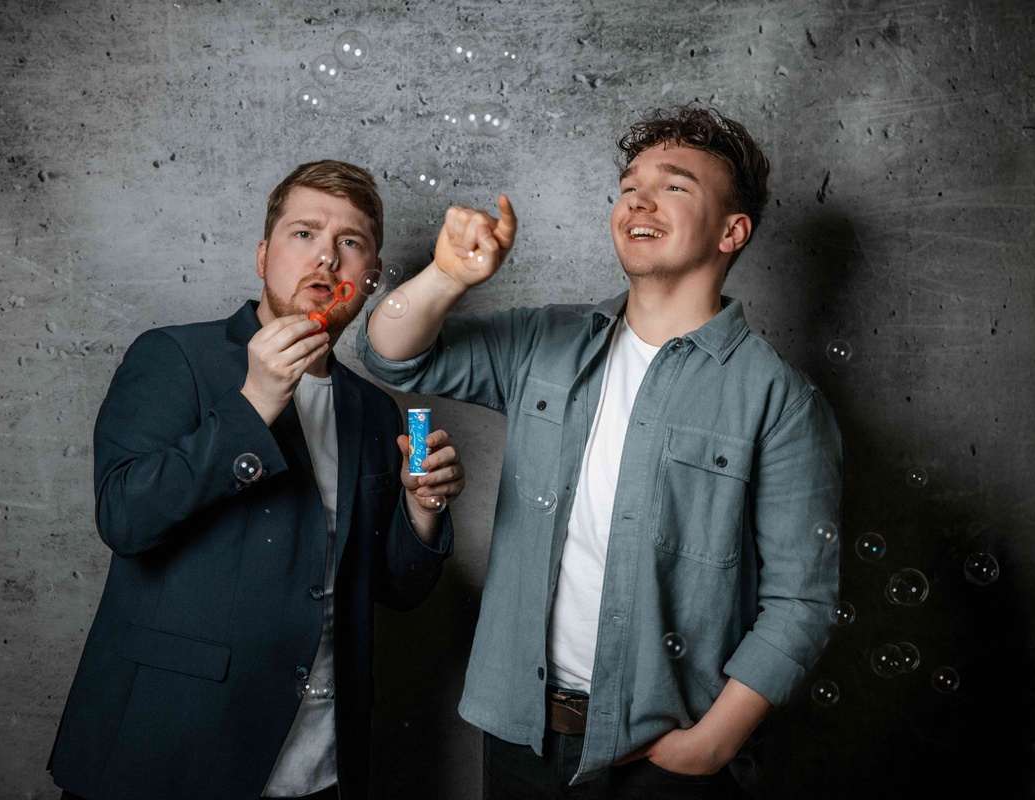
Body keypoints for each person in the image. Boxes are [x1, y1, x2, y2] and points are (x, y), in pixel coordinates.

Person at [358, 106, 842, 798]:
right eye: (628, 186)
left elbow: (800, 600)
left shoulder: (779, 399)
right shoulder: (544, 342)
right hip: (520, 735)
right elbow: (391, 355)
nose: (638, 201)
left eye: (673, 186)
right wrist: (447, 276)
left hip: (664, 758)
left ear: (732, 231)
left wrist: (709, 746)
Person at [47, 160, 462, 800]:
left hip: (320, 763)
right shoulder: (173, 357)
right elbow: (125, 518)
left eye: (350, 242)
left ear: (370, 276)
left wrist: (423, 511)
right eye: (304, 234)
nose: (326, 257)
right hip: (170, 756)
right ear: (264, 255)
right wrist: (255, 403)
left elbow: (394, 590)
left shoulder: (374, 411)